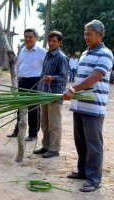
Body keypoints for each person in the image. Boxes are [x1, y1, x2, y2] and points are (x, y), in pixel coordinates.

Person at [63, 20, 113, 192]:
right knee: (81, 142)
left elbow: (96, 76)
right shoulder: (85, 53)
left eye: (89, 34)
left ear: (100, 35)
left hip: (94, 106)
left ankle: (93, 179)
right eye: (85, 33)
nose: (86, 37)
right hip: (79, 104)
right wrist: (74, 92)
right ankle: (83, 171)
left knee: (93, 144)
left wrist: (73, 89)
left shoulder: (105, 53)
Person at [33, 31, 69, 158]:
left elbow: (64, 78)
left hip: (54, 94)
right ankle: (46, 146)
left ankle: (54, 149)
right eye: (50, 41)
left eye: (54, 41)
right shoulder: (48, 55)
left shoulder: (61, 57)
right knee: (44, 123)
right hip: (44, 93)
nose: (51, 43)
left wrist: (52, 78)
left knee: (54, 123)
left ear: (60, 42)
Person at [7, 28, 47, 141]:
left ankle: (33, 134)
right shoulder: (23, 50)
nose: (28, 39)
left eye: (30, 37)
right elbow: (18, 65)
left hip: (35, 82)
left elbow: (47, 67)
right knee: (20, 107)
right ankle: (18, 130)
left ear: (36, 38)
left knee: (33, 109)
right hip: (22, 82)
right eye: (26, 37)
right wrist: (16, 78)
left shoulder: (42, 51)